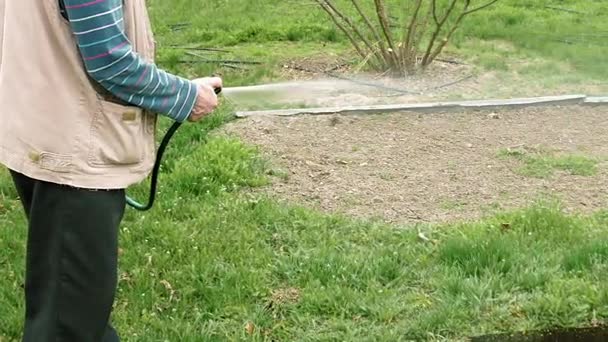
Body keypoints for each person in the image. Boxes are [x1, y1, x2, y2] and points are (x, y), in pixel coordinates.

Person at [0, 0, 222, 341]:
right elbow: (110, 62)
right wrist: (185, 95)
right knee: (68, 326)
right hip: (73, 155)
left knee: (72, 306)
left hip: (42, 134)